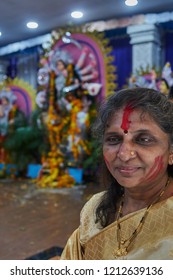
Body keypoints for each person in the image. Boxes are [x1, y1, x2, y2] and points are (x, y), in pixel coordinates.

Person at [60, 87, 173, 260]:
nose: (124, 154)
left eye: (144, 140)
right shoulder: (94, 210)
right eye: (114, 139)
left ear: (171, 152)